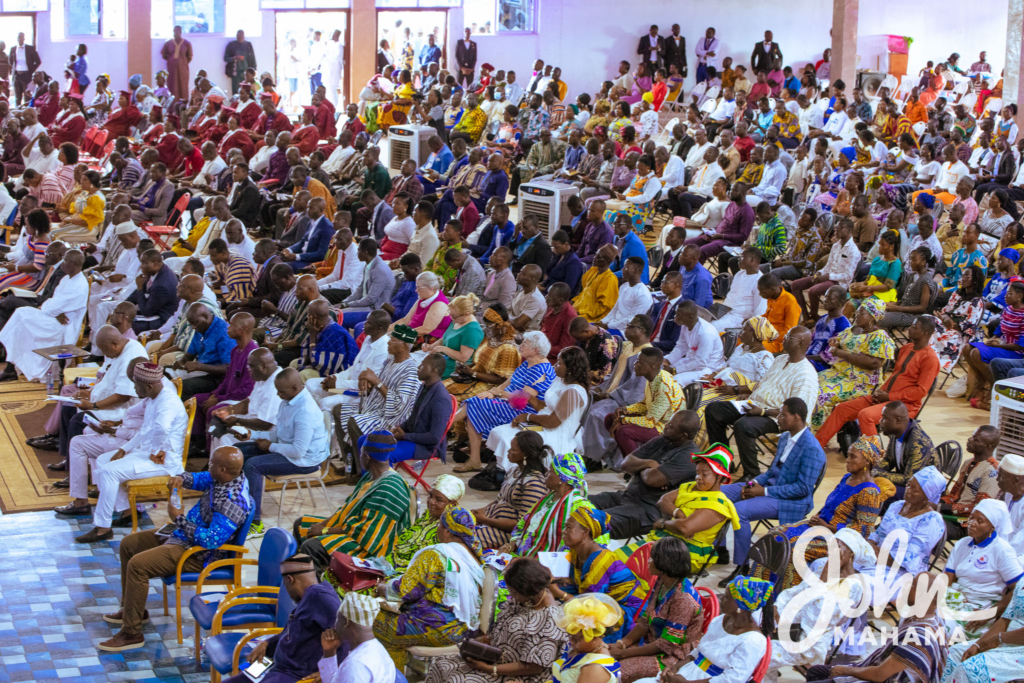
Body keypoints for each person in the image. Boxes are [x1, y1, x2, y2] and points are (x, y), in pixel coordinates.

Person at [97, 446, 251, 652]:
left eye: (212, 463)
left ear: (223, 469)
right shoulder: (224, 477)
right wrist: (181, 478)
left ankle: (131, 633)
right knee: (129, 545)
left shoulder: (234, 501)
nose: (209, 465)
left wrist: (178, 518)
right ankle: (133, 611)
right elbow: (202, 478)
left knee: (138, 566)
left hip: (198, 554)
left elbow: (211, 541)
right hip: (183, 537)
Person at [759, 435, 884, 590]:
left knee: (794, 549)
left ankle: (784, 600)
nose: (848, 459)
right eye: (848, 455)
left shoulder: (869, 492)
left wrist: (827, 526)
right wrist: (818, 517)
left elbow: (862, 532)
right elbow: (830, 504)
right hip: (821, 527)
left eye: (853, 457)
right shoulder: (847, 478)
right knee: (775, 534)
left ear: (867, 461)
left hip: (838, 541)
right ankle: (758, 591)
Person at [425, 557, 566, 683]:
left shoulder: (549, 619)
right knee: (441, 663)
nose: (512, 597)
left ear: (526, 589)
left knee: (459, 679)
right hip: (496, 660)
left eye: (514, 593)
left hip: (521, 675)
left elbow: (532, 668)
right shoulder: (528, 599)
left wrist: (489, 668)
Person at [374, 506, 484, 669]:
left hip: (440, 628)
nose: (437, 528)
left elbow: (405, 591)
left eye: (440, 525)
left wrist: (381, 587)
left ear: (447, 531)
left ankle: (394, 676)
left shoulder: (436, 555)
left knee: (378, 625)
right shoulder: (474, 554)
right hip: (465, 626)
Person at [705, 327, 819, 480]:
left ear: (801, 343)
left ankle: (751, 474)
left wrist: (763, 411)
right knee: (714, 410)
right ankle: (723, 461)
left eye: (789, 337)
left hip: (776, 417)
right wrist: (740, 391)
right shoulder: (780, 359)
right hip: (754, 404)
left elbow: (797, 414)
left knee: (744, 425)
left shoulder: (805, 373)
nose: (784, 338)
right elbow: (762, 384)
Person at [295, 431, 412, 572]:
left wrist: (325, 530)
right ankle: (296, 578)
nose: (359, 457)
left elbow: (367, 534)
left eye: (360, 454)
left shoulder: (390, 488)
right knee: (301, 524)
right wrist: (321, 525)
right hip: (357, 532)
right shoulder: (370, 477)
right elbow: (346, 510)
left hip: (375, 550)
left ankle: (320, 590)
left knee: (312, 546)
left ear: (367, 457)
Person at [816, 316, 940, 446]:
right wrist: (882, 391)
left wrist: (890, 396)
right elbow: (895, 376)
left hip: (904, 406)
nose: (910, 328)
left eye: (915, 327)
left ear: (925, 333)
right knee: (842, 408)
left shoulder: (930, 358)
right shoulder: (907, 348)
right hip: (886, 397)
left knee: (866, 415)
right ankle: (817, 445)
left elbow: (920, 391)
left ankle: (874, 458)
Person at [806, 573, 946, 683]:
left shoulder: (919, 637)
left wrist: (844, 670)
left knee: (820, 674)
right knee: (816, 672)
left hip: (885, 678)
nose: (907, 586)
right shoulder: (934, 618)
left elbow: (880, 675)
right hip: (889, 672)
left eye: (913, 585)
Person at [225, 553, 340, 683]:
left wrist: (332, 672)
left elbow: (345, 636)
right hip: (273, 663)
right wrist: (267, 643)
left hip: (291, 674)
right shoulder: (308, 596)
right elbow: (292, 632)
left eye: (285, 585)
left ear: (290, 580)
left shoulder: (320, 597)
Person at [637, 576, 771, 683]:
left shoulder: (753, 641)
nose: (721, 600)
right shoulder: (721, 620)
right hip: (691, 671)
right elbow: (699, 651)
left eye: (727, 597)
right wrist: (675, 667)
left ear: (740, 606)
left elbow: (733, 679)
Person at [456, 331, 555, 472]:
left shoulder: (540, 370)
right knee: (476, 401)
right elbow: (508, 382)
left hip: (523, 410)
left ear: (535, 349)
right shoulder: (528, 363)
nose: (520, 346)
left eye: (525, 344)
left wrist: (499, 393)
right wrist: (492, 392)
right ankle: (473, 458)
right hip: (508, 403)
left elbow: (522, 400)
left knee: (474, 403)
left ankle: (445, 429)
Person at [547, 507, 646, 642]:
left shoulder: (600, 562)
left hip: (623, 608)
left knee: (567, 621)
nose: (563, 531)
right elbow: (574, 583)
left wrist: (558, 593)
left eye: (568, 527)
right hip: (598, 599)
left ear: (585, 532)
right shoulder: (576, 552)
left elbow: (589, 606)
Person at [486, 346, 590, 473]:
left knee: (511, 439)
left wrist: (528, 417)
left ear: (570, 368)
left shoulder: (573, 392)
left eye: (560, 363)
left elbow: (553, 421)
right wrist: (528, 397)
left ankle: (514, 473)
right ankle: (506, 471)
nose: (555, 365)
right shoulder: (560, 381)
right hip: (545, 423)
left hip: (557, 433)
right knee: (500, 431)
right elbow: (546, 407)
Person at [0, 248, 88, 382]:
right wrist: (54, 310)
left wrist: (52, 309)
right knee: (21, 314)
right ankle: (11, 364)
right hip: (54, 317)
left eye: (66, 261)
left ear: (75, 264)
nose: (62, 263)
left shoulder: (78, 284)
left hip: (63, 326)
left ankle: (11, 366)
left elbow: (55, 305)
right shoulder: (67, 278)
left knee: (22, 317)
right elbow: (54, 301)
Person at [810, 298, 897, 429]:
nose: (857, 314)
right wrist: (835, 342)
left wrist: (841, 353)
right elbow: (839, 339)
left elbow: (873, 363)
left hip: (860, 383)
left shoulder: (878, 336)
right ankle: (802, 428)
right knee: (807, 386)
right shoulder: (853, 330)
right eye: (857, 311)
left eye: (862, 313)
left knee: (820, 395)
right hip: (838, 374)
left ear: (872, 317)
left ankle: (816, 435)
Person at [318, 593, 395, 683]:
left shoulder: (356, 664)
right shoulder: (379, 650)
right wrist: (330, 652)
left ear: (346, 622)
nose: (334, 625)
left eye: (338, 619)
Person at [871, 400, 937, 503]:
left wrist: (877, 473)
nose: (880, 421)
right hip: (907, 485)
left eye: (884, 418)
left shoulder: (918, 443)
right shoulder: (895, 433)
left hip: (922, 493)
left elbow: (908, 479)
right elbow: (888, 460)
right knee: (866, 483)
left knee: (877, 492)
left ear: (897, 420)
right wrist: (873, 470)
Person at [664, 299, 725, 385]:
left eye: (679, 315)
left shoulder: (706, 333)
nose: (675, 317)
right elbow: (681, 347)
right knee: (662, 369)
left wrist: (675, 370)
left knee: (676, 380)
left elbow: (701, 361)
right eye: (676, 313)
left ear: (691, 317)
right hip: (692, 361)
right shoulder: (686, 325)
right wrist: (667, 361)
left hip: (709, 368)